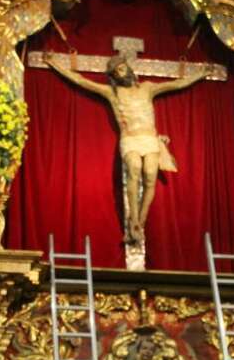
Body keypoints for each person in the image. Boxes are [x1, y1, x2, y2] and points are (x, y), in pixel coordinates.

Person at [46, 53, 208, 243]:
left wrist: (200, 74)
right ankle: (133, 220)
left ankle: (140, 221)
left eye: (122, 68)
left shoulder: (147, 88)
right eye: (116, 72)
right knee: (134, 168)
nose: (120, 73)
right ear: (113, 76)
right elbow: (81, 81)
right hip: (130, 138)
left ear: (128, 68)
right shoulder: (112, 93)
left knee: (150, 175)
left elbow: (177, 84)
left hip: (149, 138)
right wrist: (54, 63)